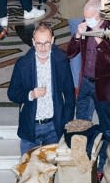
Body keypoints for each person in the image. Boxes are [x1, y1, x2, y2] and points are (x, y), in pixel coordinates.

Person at [7, 24, 75, 155]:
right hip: (31, 126)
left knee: (50, 171)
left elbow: (69, 95)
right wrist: (30, 95)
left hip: (53, 127)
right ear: (33, 42)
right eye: (39, 44)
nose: (43, 48)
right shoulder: (23, 64)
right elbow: (12, 93)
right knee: (28, 170)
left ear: (53, 40)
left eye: (47, 43)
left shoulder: (61, 61)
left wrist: (65, 122)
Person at [66, 0, 110, 175]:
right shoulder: (84, 28)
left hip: (103, 87)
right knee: (81, 124)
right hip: (86, 83)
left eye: (90, 17)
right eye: (84, 17)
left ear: (100, 16)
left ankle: (102, 167)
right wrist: (78, 36)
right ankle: (85, 162)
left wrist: (100, 41)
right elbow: (70, 54)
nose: (86, 21)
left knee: (107, 128)